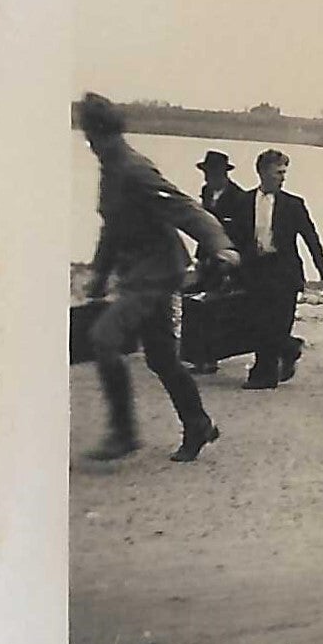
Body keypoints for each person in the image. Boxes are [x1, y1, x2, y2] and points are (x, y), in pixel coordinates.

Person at [77, 93, 238, 462]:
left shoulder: (134, 168)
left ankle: (124, 434)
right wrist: (99, 276)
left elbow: (184, 207)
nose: (92, 145)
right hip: (139, 274)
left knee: (104, 337)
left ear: (106, 132)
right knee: (162, 358)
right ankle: (197, 423)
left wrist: (220, 244)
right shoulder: (111, 169)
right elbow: (112, 228)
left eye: (95, 136)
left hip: (157, 274)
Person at [234, 149, 323, 389]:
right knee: (256, 322)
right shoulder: (243, 202)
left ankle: (263, 375)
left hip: (284, 273)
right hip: (254, 271)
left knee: (277, 323)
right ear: (262, 172)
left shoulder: (293, 204)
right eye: (278, 172)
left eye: (284, 173)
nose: (282, 177)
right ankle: (288, 349)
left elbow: (311, 239)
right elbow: (235, 238)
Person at [186, 150, 252, 374]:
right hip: (207, 256)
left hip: (227, 259)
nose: (207, 177)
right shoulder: (206, 192)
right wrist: (199, 257)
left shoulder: (239, 198)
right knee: (201, 305)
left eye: (212, 172)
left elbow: (242, 234)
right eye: (206, 172)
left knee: (216, 307)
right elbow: (203, 224)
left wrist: (232, 263)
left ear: (223, 173)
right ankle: (201, 357)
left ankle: (209, 358)